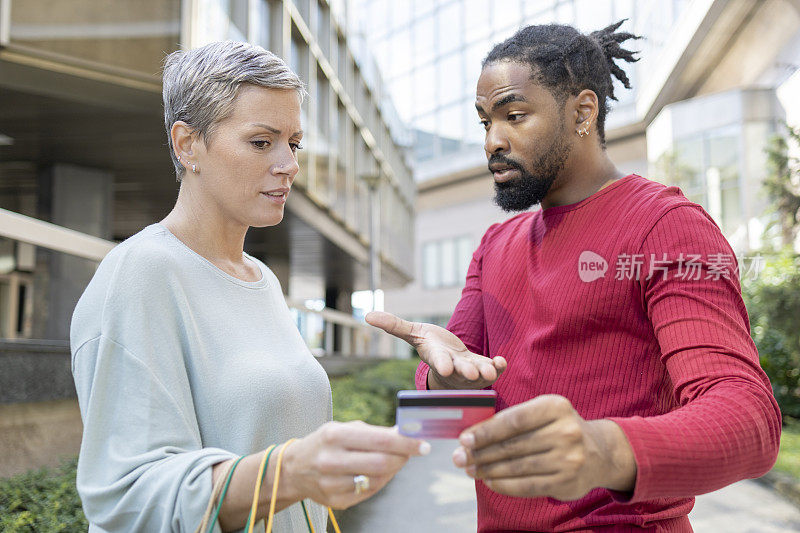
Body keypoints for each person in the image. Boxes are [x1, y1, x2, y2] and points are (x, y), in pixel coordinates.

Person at [367, 21, 781, 532]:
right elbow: (456, 416)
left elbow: (751, 421)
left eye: (514, 115)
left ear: (583, 112)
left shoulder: (666, 226)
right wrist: (438, 380)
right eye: (484, 123)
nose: (493, 141)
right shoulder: (494, 246)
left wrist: (601, 449)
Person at [70, 40, 430, 533]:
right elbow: (129, 495)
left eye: (294, 143)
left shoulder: (263, 282)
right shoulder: (140, 273)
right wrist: (293, 472)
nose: (289, 164)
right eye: (262, 142)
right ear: (187, 144)